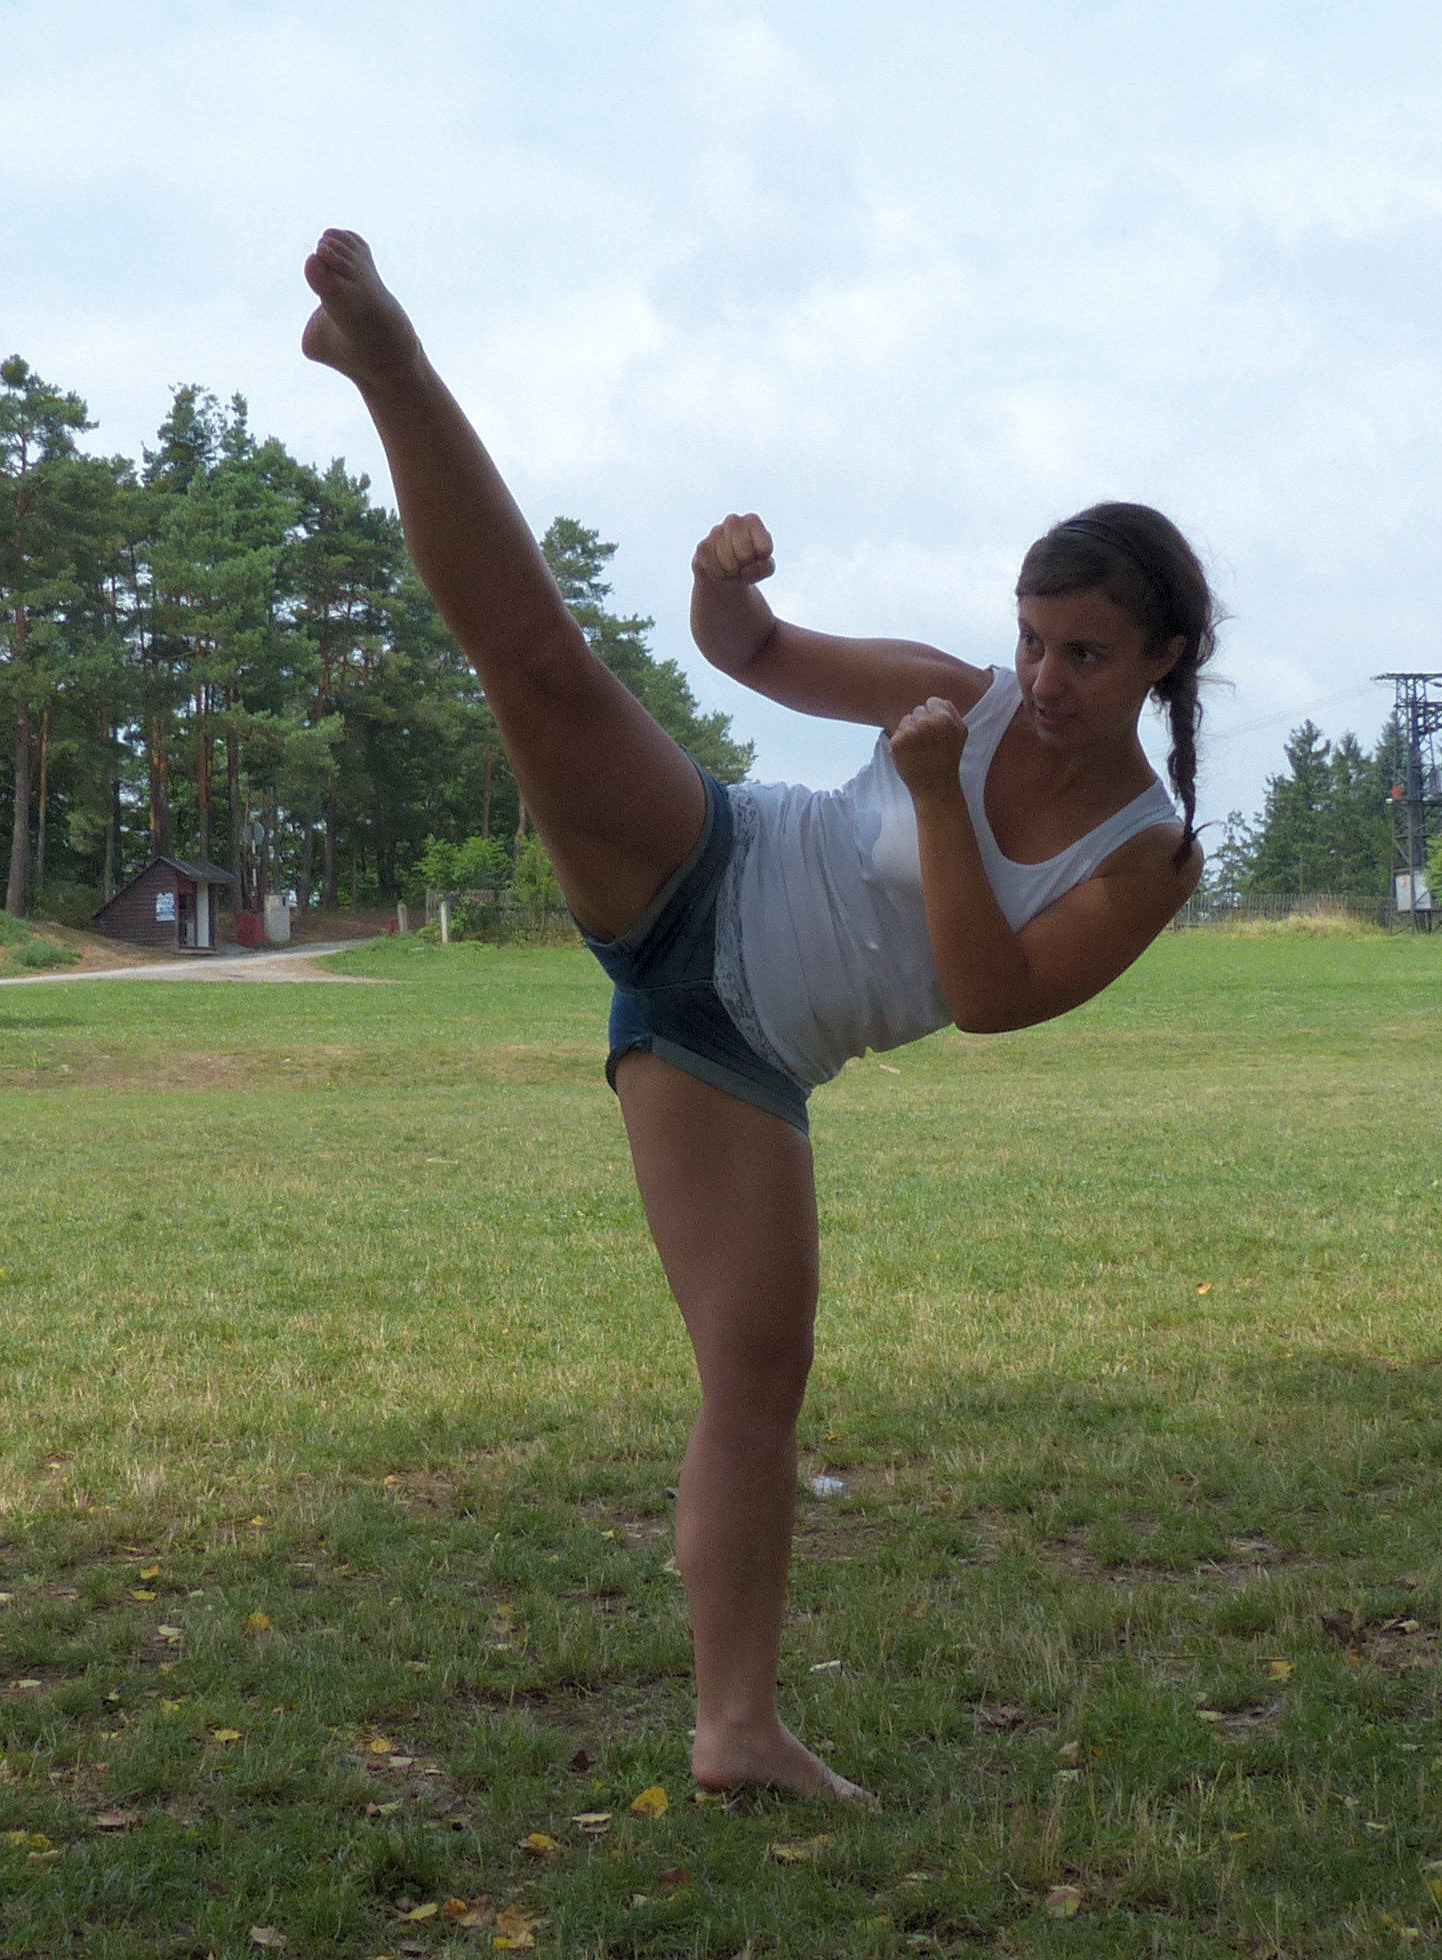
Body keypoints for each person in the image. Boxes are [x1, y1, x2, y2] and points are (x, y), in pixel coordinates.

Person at [301, 228, 1216, 1805]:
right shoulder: (958, 693)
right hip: (702, 860)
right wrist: (722, 588)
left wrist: (935, 797)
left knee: (756, 1373)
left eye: (1083, 654)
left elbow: (988, 998)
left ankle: (734, 1731)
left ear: (1162, 658)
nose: (1042, 679)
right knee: (543, 669)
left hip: (741, 1054)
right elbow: (756, 658)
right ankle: (389, 362)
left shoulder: (1145, 856)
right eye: (1029, 638)